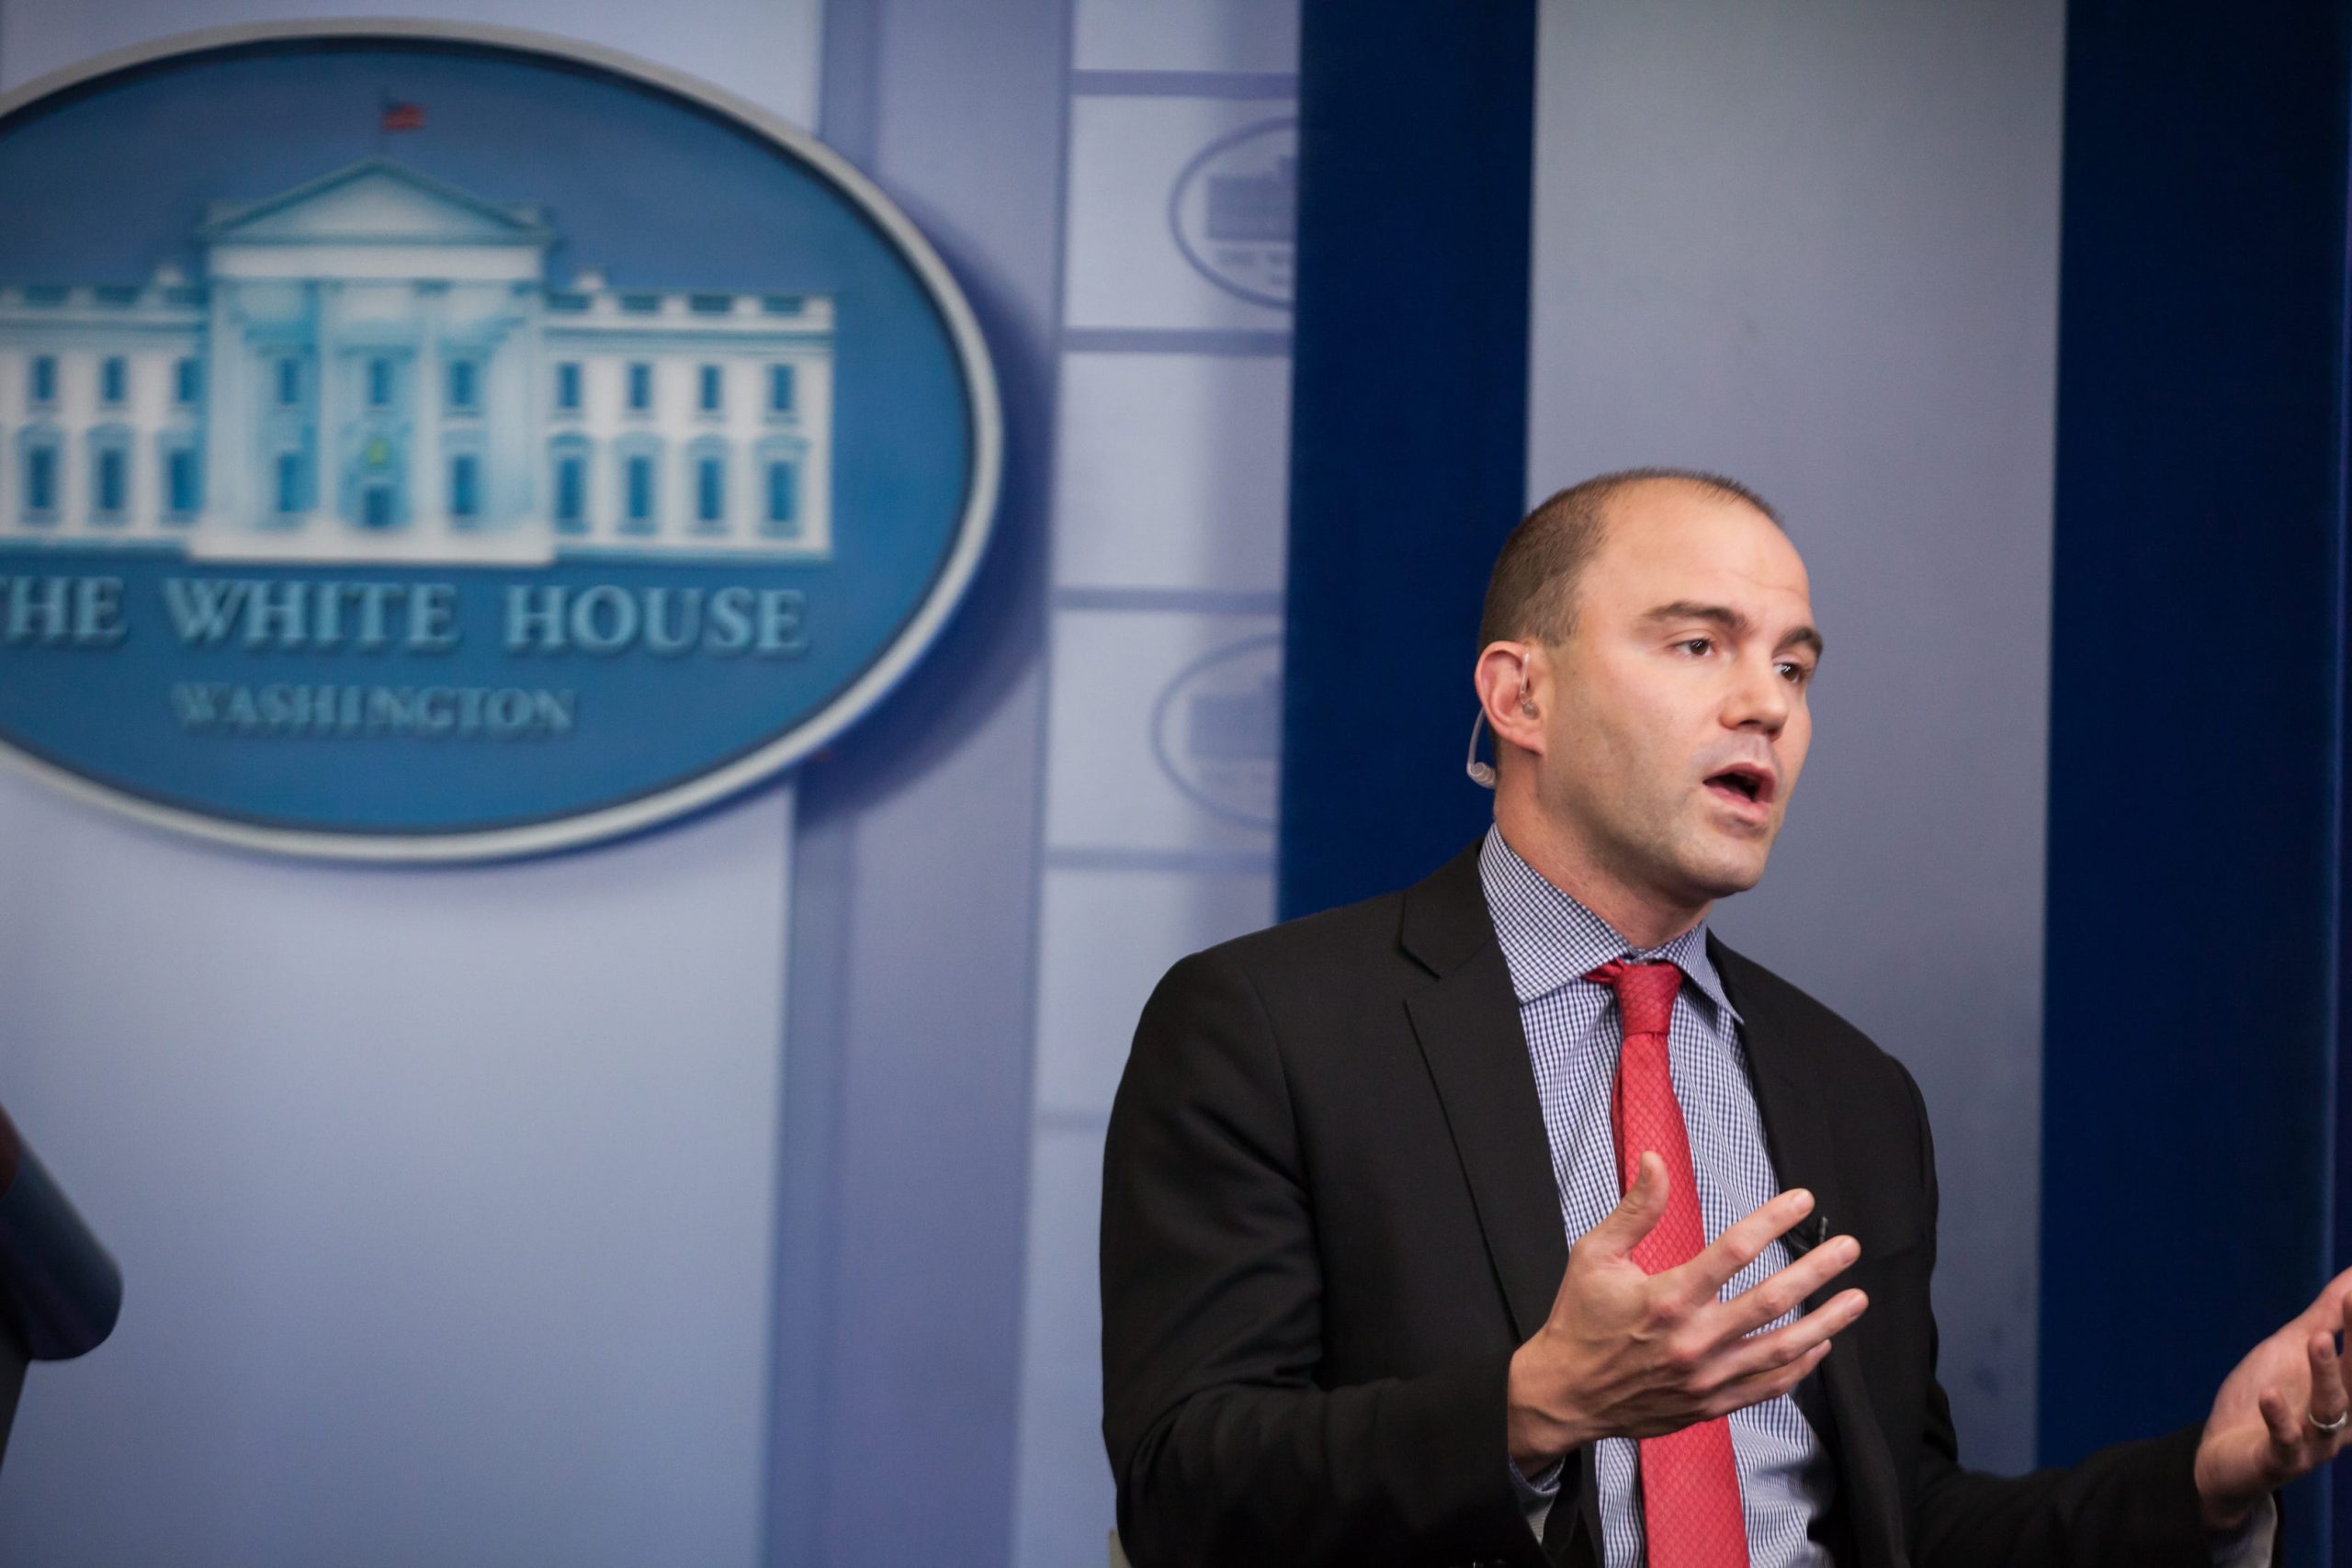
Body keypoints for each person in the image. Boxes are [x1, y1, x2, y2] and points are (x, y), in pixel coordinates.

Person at [1099, 470, 2346, 1567]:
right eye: (1699, 646)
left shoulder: (1854, 1091)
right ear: (1520, 696)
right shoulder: (1267, 1026)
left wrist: (2201, 1484)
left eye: (1793, 665)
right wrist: (1531, 1406)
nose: (1767, 704)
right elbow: (1184, 1488)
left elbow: (1902, 1525)